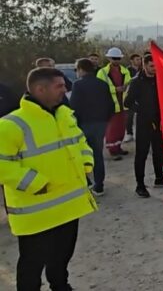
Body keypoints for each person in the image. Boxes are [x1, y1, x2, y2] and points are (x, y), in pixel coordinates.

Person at [0, 67, 97, 291]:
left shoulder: (65, 115)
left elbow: (80, 141)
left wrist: (86, 163)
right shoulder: (11, 124)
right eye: (59, 86)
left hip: (69, 207)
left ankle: (60, 285)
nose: (65, 90)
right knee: (31, 265)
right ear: (39, 89)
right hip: (37, 213)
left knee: (61, 257)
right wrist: (35, 183)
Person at [124, 54, 163, 198]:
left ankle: (159, 178)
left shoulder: (159, 80)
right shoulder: (136, 82)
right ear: (145, 65)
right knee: (141, 154)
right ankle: (140, 185)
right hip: (143, 122)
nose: (154, 69)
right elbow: (127, 102)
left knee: (158, 151)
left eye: (156, 66)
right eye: (151, 66)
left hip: (158, 121)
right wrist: (141, 110)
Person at [69, 58, 114, 197]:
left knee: (82, 155)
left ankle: (87, 182)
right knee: (97, 154)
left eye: (76, 70)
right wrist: (105, 120)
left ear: (81, 69)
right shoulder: (102, 84)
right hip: (100, 124)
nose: (76, 73)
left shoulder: (77, 85)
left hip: (84, 125)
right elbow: (110, 105)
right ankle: (99, 185)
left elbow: (73, 107)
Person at [97, 47, 132, 160]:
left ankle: (118, 147)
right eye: (114, 58)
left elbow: (129, 83)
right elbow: (101, 87)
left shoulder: (125, 71)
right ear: (109, 58)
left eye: (118, 58)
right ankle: (112, 150)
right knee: (112, 129)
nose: (116, 60)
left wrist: (125, 88)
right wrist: (115, 89)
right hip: (111, 105)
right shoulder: (102, 72)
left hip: (123, 103)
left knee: (121, 128)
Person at [124, 53, 143, 144]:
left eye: (140, 59)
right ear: (132, 61)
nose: (139, 61)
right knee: (129, 116)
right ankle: (129, 133)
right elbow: (126, 82)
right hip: (131, 96)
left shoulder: (143, 69)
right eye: (137, 59)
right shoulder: (127, 70)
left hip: (141, 97)